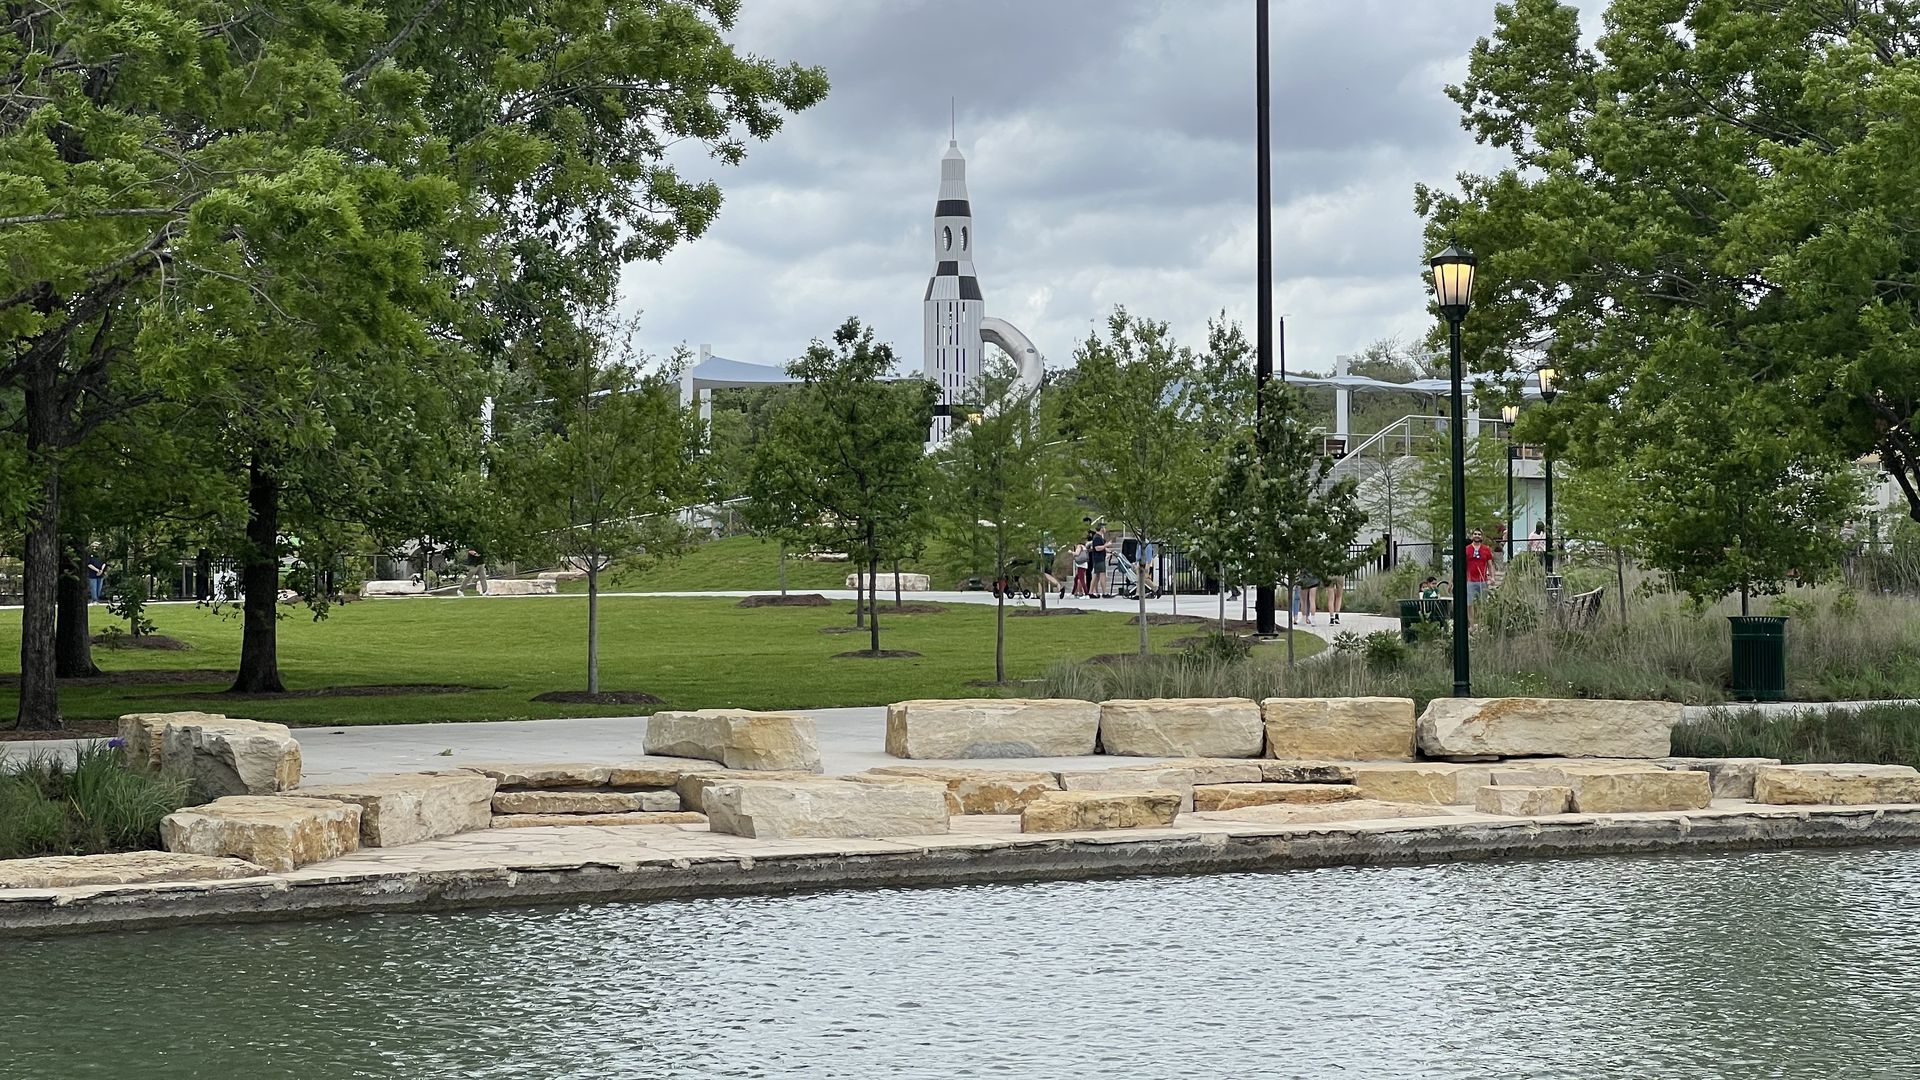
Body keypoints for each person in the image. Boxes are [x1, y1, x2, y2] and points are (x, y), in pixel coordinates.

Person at [1087, 522, 1110, 598]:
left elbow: (1102, 547)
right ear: (1101, 528)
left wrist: (1109, 551)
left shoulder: (1099, 537)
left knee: (1096, 575)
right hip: (1099, 559)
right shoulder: (1097, 537)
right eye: (1104, 527)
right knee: (1102, 575)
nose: (1105, 529)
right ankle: (1104, 593)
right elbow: (1097, 548)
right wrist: (1106, 545)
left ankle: (1091, 592)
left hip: (1099, 558)